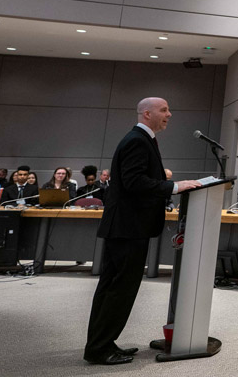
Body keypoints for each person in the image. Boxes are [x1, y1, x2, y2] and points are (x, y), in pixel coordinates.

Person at [84, 98, 201, 366]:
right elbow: (134, 181)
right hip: (128, 228)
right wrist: (175, 186)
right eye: (164, 110)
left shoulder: (141, 139)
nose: (169, 114)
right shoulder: (137, 140)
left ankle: (102, 343)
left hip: (127, 227)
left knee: (113, 288)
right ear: (147, 114)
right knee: (118, 290)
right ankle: (100, 348)